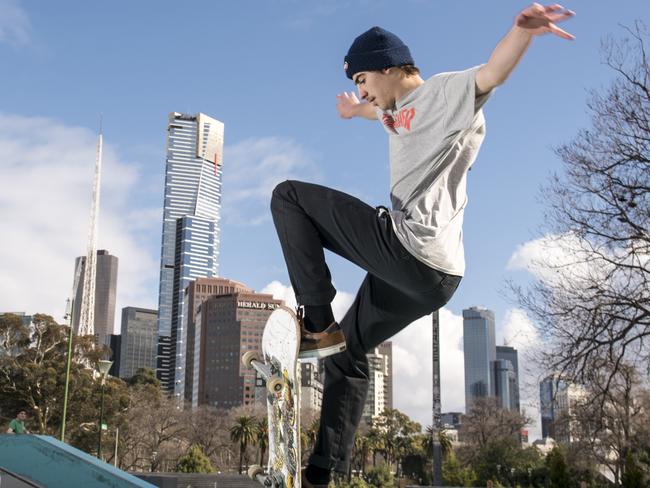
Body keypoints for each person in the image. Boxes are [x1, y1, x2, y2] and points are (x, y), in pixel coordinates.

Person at [269, 4, 574, 486]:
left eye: (364, 79)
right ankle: (324, 473)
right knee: (348, 353)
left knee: (288, 197)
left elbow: (491, 74)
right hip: (436, 281)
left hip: (409, 247)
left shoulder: (443, 93)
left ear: (390, 67)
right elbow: (383, 113)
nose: (362, 90)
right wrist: (356, 111)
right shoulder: (393, 111)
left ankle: (317, 319)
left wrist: (521, 33)